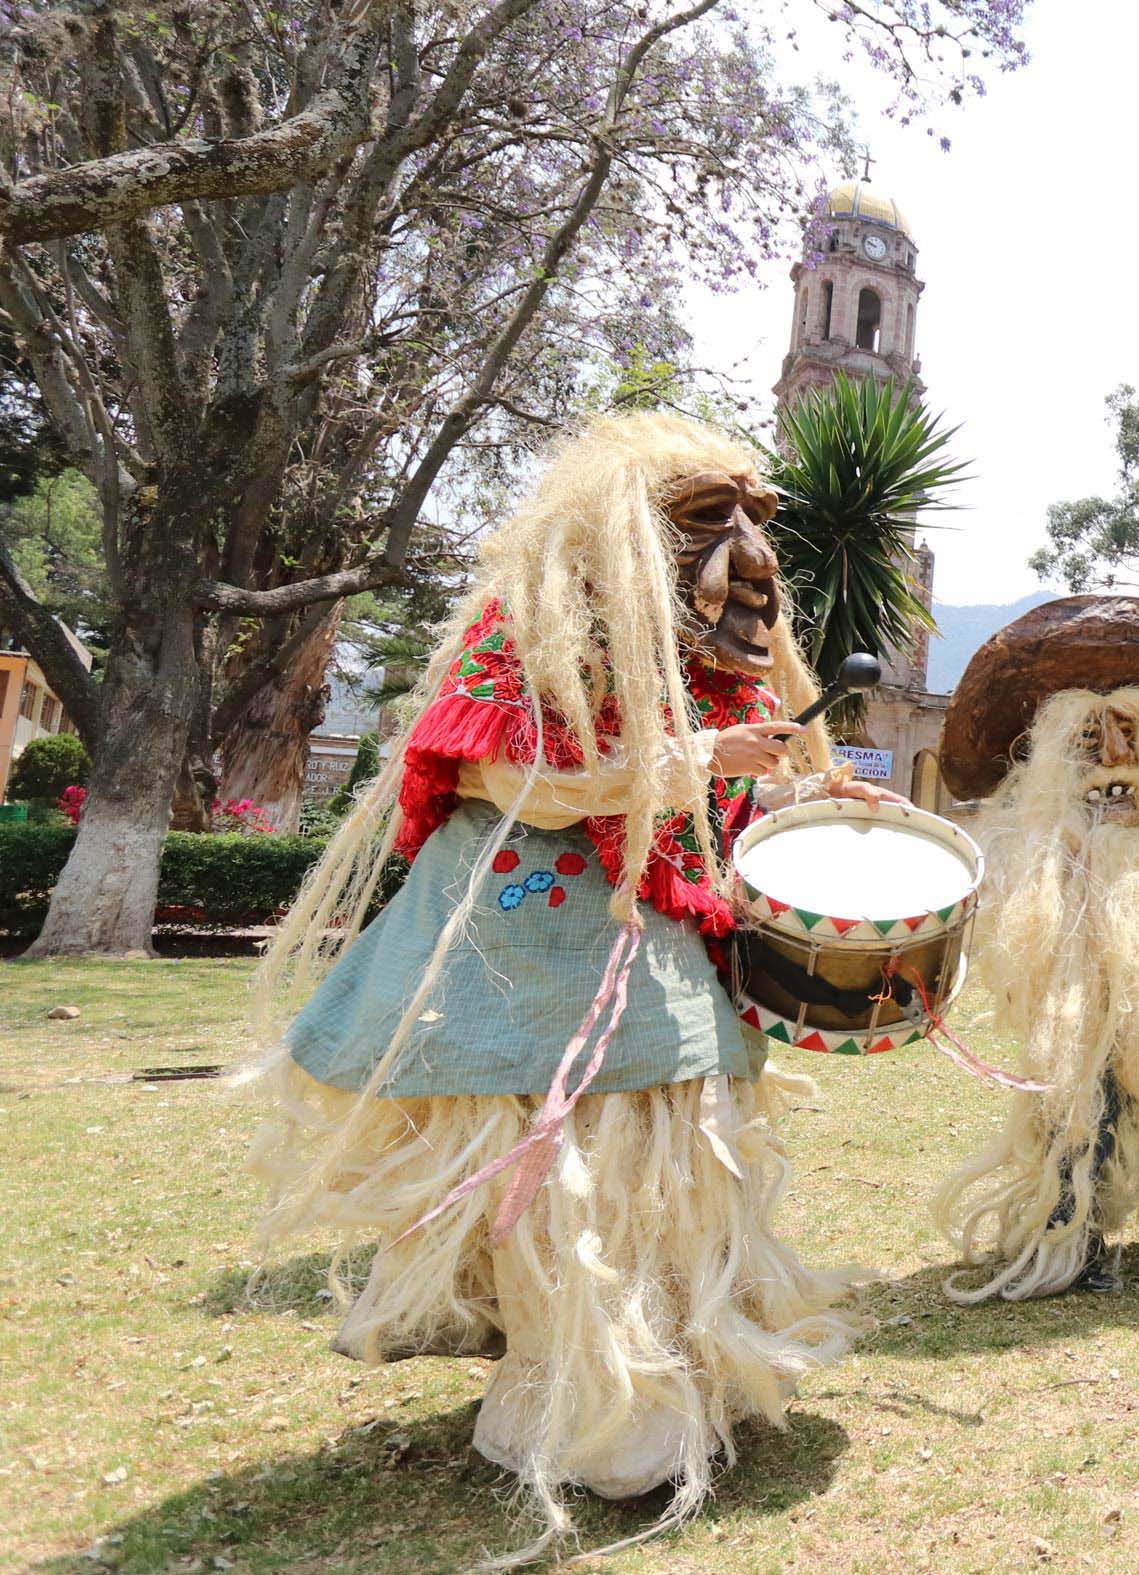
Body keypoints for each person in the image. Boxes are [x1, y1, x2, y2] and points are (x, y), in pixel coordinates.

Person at [245, 414, 879, 1557]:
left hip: (661, 962)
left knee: (673, 1181)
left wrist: (812, 802)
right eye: (707, 518)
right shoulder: (534, 631)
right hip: (529, 964)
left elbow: (725, 809)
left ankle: (666, 1377)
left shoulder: (717, 671)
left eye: (758, 519)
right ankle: (591, 1405)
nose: (750, 549)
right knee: (559, 1189)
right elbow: (506, 771)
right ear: (626, 528)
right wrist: (685, 763)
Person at [928, 596, 1139, 1300]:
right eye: (1089, 737)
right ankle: (1062, 1232)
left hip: (1138, 1004)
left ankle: (1092, 1228)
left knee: (1126, 1109)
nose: (1113, 755)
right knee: (1073, 1108)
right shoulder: (1043, 839)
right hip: (1073, 1005)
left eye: (1129, 734)